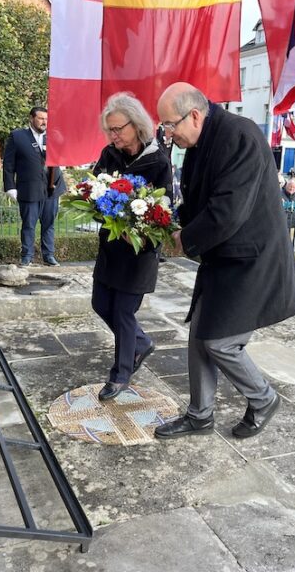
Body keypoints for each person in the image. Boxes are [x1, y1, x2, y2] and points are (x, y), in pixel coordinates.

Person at [153, 82, 295, 440]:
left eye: (169, 125)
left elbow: (227, 211)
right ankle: (199, 415)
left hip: (252, 260)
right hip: (225, 258)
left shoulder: (239, 135)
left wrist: (185, 240)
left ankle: (263, 398)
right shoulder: (200, 141)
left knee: (221, 342)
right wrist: (166, 220)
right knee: (199, 335)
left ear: (194, 115)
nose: (167, 133)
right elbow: (197, 201)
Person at [90, 92, 172, 401]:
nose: (113, 135)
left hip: (138, 251)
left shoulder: (158, 160)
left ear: (136, 125)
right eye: (109, 130)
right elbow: (95, 191)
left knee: (124, 312)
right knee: (100, 304)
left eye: (118, 129)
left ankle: (121, 374)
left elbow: (164, 209)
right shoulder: (110, 154)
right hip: (112, 247)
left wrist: (137, 227)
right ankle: (140, 343)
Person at [3, 106, 66, 267]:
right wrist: (10, 187)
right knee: (29, 225)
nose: (44, 122)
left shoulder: (54, 137)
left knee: (49, 224)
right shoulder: (18, 136)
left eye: (46, 119)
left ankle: (49, 255)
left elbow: (62, 156)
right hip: (28, 189)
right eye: (40, 118)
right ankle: (27, 255)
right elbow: (8, 165)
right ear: (31, 119)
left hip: (51, 188)